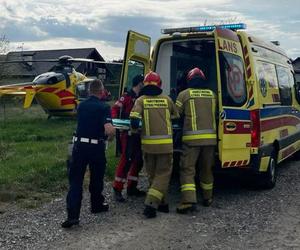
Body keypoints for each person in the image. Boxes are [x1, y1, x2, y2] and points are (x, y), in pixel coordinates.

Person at [62, 79, 115, 228]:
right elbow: (109, 130)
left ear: (89, 91)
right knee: (96, 177)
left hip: (78, 146)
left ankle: (72, 216)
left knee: (75, 181)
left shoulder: (81, 105)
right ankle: (96, 205)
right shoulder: (104, 107)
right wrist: (111, 136)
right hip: (95, 147)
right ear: (101, 91)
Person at [130, 71, 179, 218]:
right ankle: (151, 204)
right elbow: (176, 117)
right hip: (165, 146)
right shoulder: (167, 99)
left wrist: (136, 128)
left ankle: (162, 203)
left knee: (152, 175)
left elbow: (133, 119)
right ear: (160, 85)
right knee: (162, 175)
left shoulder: (140, 100)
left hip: (148, 146)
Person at [175, 67, 217, 214]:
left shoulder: (184, 94)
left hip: (191, 140)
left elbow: (175, 114)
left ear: (189, 80)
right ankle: (208, 198)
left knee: (187, 169)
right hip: (210, 140)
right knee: (206, 169)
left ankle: (188, 201)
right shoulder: (212, 95)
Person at [111, 74, 145, 202]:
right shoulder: (126, 97)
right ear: (140, 83)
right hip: (128, 134)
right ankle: (117, 188)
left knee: (138, 161)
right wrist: (117, 124)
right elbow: (114, 110)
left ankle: (132, 188)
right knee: (126, 160)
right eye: (144, 83)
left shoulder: (142, 97)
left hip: (139, 134)